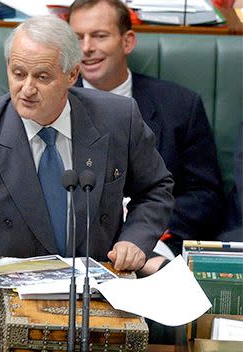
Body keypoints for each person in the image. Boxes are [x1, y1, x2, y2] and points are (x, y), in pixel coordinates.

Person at [0, 15, 174, 341]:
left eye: (42, 76)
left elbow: (156, 188)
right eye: (18, 74)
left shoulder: (118, 118)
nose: (27, 88)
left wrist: (135, 238)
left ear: (72, 74)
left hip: (98, 303)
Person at [68, 0, 224, 265]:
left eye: (100, 36)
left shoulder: (180, 106)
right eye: (77, 38)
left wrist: (149, 236)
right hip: (73, 250)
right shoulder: (55, 104)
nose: (86, 48)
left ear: (127, 42)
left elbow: (204, 196)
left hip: (157, 250)